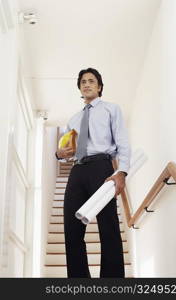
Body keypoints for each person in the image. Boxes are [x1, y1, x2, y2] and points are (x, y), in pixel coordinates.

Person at [56, 67, 131, 278]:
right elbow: (67, 150)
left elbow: (122, 142)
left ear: (99, 87)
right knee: (72, 228)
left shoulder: (111, 109)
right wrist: (59, 153)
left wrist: (122, 172)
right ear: (80, 88)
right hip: (77, 170)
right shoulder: (73, 119)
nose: (87, 84)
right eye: (83, 82)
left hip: (102, 168)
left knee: (108, 227)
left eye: (91, 81)